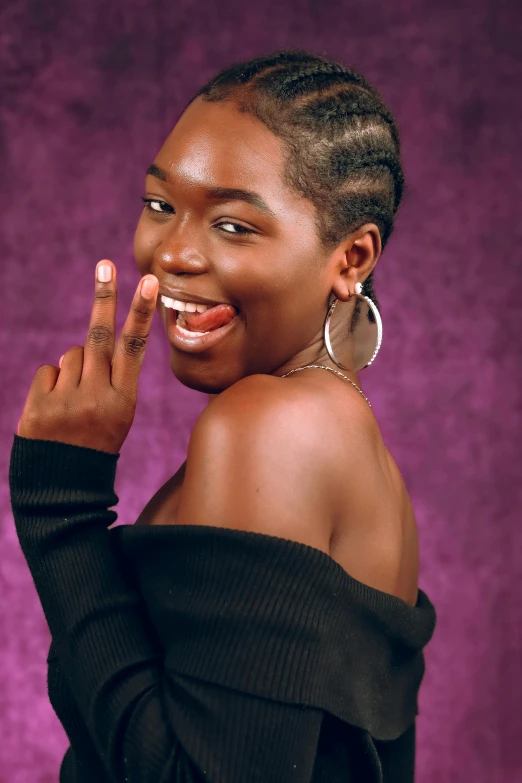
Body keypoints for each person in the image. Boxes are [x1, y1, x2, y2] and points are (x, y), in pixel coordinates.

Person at [9, 49, 437, 782]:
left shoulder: (271, 427)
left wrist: (61, 509)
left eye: (234, 225)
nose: (171, 252)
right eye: (159, 204)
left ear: (351, 256)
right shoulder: (333, 427)